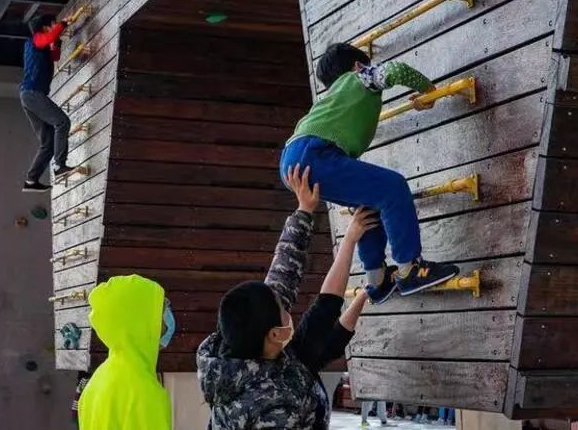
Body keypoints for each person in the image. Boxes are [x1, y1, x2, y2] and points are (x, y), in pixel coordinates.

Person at [280, 43, 460, 303]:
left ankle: (377, 279)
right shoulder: (359, 77)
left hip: (293, 159)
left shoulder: (334, 97)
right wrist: (429, 90)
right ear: (358, 65)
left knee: (369, 204)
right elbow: (396, 70)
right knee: (392, 187)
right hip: (315, 152)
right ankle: (410, 268)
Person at [198, 165, 374, 429]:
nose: (287, 309)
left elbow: (287, 276)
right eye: (283, 310)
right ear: (274, 334)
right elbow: (323, 317)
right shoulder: (271, 408)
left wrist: (305, 211)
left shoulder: (244, 344)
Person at [77, 274, 175, 430]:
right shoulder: (143, 391)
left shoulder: (98, 380)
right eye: (161, 309)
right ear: (139, 321)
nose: (167, 316)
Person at [19, 13, 77, 193]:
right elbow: (49, 37)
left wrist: (57, 41)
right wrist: (63, 24)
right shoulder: (35, 40)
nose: (54, 27)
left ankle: (31, 180)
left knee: (48, 143)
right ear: (45, 27)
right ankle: (60, 165)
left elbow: (55, 56)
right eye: (52, 24)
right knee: (62, 122)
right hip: (32, 93)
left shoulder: (41, 46)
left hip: (29, 96)